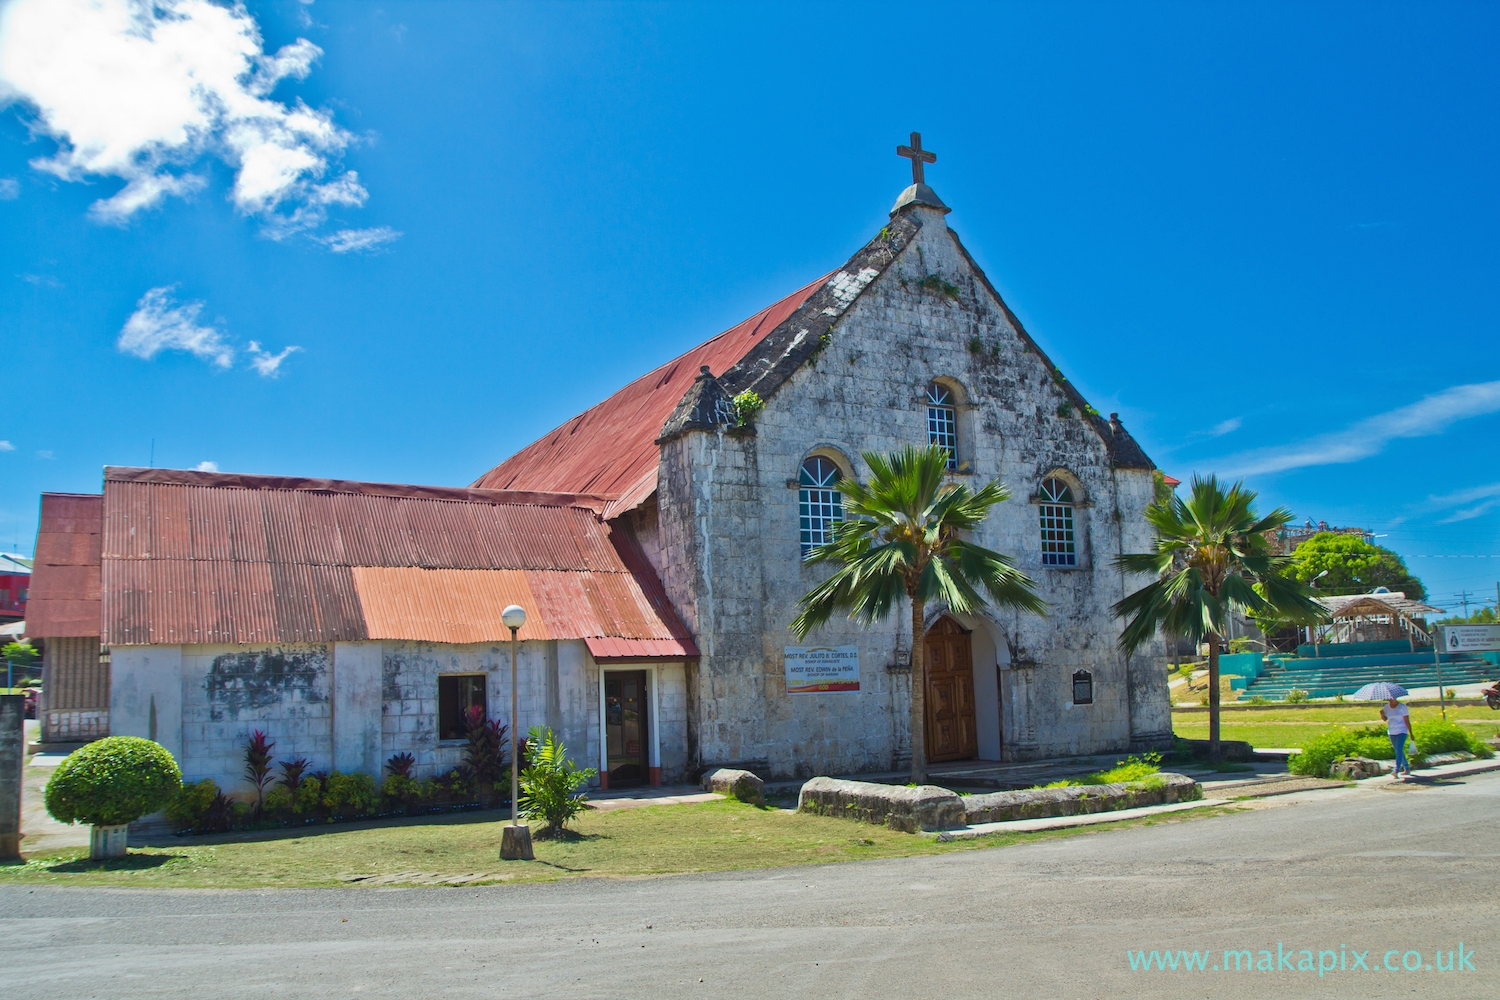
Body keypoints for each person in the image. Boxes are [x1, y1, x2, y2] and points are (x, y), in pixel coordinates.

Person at [1380, 697, 1414, 777]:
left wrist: (1411, 733)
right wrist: (1382, 714)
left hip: (1402, 731)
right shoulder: (1386, 707)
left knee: (1398, 750)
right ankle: (1407, 768)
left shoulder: (1402, 707)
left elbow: (1406, 720)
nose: (1391, 699)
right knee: (1398, 751)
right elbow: (1385, 719)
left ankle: (1396, 770)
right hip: (1392, 732)